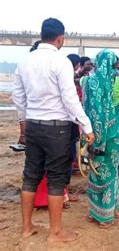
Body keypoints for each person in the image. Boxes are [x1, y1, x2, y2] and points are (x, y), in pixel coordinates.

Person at [12, 18, 94, 242]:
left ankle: (26, 227)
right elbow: (69, 99)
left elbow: (18, 97)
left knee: (30, 176)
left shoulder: (25, 61)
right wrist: (86, 125)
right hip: (57, 128)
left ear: (42, 34)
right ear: (60, 38)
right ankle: (55, 232)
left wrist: (24, 123)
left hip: (34, 125)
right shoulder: (61, 61)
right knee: (57, 179)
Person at [81, 49, 119, 228]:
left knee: (94, 170)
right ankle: (107, 213)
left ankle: (95, 212)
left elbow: (75, 81)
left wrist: (83, 71)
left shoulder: (88, 81)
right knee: (110, 171)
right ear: (114, 64)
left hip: (92, 135)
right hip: (113, 136)